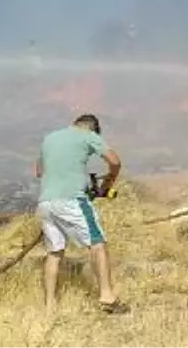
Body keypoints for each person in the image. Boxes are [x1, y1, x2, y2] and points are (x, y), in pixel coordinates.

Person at [34, 113, 129, 314]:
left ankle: (50, 305)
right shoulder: (88, 134)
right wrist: (109, 182)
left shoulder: (50, 138)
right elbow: (115, 161)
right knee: (98, 243)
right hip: (72, 200)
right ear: (92, 128)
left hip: (45, 203)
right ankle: (107, 297)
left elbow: (39, 171)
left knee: (54, 253)